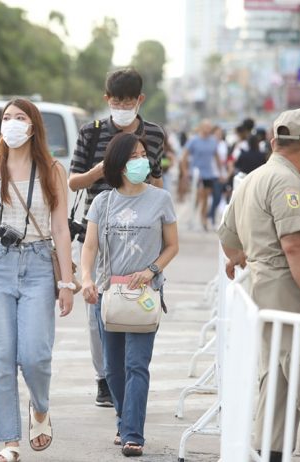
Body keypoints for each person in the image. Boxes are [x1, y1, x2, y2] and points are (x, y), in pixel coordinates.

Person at [0, 98, 74, 462]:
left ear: (33, 126)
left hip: (38, 263)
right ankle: (9, 442)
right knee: (0, 357)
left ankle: (40, 407)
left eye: (19, 117)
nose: (11, 123)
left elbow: (60, 228)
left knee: (36, 354)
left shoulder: (52, 170)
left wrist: (67, 282)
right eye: (6, 117)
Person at [218, 108, 300, 462]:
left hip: (262, 292)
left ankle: (272, 453)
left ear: (274, 142)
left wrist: (250, 256)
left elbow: (228, 240)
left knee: (276, 385)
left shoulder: (253, 179)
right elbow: (296, 246)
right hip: (290, 292)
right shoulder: (288, 184)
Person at [68, 68, 165, 408]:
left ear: (140, 100)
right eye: (117, 101)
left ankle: (129, 374)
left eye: (129, 101)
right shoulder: (91, 132)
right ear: (107, 99)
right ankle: (105, 377)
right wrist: (103, 169)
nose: (122, 107)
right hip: (99, 229)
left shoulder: (154, 134)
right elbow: (73, 182)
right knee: (98, 308)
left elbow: (156, 179)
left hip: (140, 233)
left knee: (138, 302)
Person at [81, 132, 178, 458]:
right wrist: (86, 279)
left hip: (144, 295)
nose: (140, 161)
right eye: (133, 156)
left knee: (137, 364)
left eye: (142, 155)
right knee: (112, 368)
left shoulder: (160, 199)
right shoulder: (103, 202)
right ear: (118, 163)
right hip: (108, 294)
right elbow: (90, 247)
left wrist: (151, 270)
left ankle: (133, 434)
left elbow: (172, 245)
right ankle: (124, 420)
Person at [180, 120, 222, 231]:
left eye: (209, 127)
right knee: (199, 195)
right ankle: (193, 216)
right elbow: (184, 156)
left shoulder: (213, 141)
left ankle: (203, 218)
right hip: (196, 173)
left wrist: (221, 172)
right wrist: (185, 171)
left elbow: (217, 157)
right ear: (201, 127)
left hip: (208, 173)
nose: (207, 129)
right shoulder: (194, 140)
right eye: (205, 127)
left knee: (205, 197)